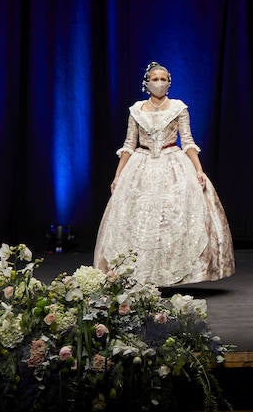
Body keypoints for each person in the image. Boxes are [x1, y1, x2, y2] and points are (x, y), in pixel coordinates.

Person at [93, 61, 234, 287]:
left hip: (173, 163)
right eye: (155, 79)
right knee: (137, 219)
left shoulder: (178, 108)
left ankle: (173, 274)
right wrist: (118, 175)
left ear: (169, 83)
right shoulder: (136, 110)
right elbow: (129, 144)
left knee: (175, 216)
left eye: (163, 79)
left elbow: (187, 141)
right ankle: (141, 275)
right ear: (146, 83)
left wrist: (199, 170)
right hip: (141, 164)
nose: (159, 83)